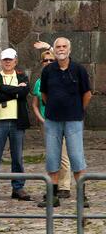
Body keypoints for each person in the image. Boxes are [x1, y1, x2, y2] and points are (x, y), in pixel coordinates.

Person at [38, 37, 92, 208]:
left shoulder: (79, 70)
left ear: (70, 49)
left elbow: (87, 94)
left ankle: (82, 195)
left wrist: (78, 110)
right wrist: (53, 108)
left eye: (64, 46)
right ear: (54, 50)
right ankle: (52, 195)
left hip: (73, 120)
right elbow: (44, 94)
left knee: (76, 157)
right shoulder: (48, 71)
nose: (61, 49)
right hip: (53, 120)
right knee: (52, 158)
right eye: (58, 47)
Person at [0, 48, 32, 201]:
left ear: (15, 61)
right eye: (5, 59)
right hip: (0, 122)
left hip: (18, 121)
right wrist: (16, 91)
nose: (7, 62)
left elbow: (25, 93)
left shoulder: (21, 75)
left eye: (10, 60)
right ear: (1, 61)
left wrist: (5, 89)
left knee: (17, 157)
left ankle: (18, 187)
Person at [32, 43, 71, 199]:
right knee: (52, 155)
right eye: (45, 61)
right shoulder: (39, 81)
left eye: (50, 60)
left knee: (64, 154)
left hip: (63, 120)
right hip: (47, 122)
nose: (47, 63)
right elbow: (35, 104)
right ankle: (53, 185)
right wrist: (41, 119)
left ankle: (64, 186)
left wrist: (49, 45)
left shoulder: (63, 75)